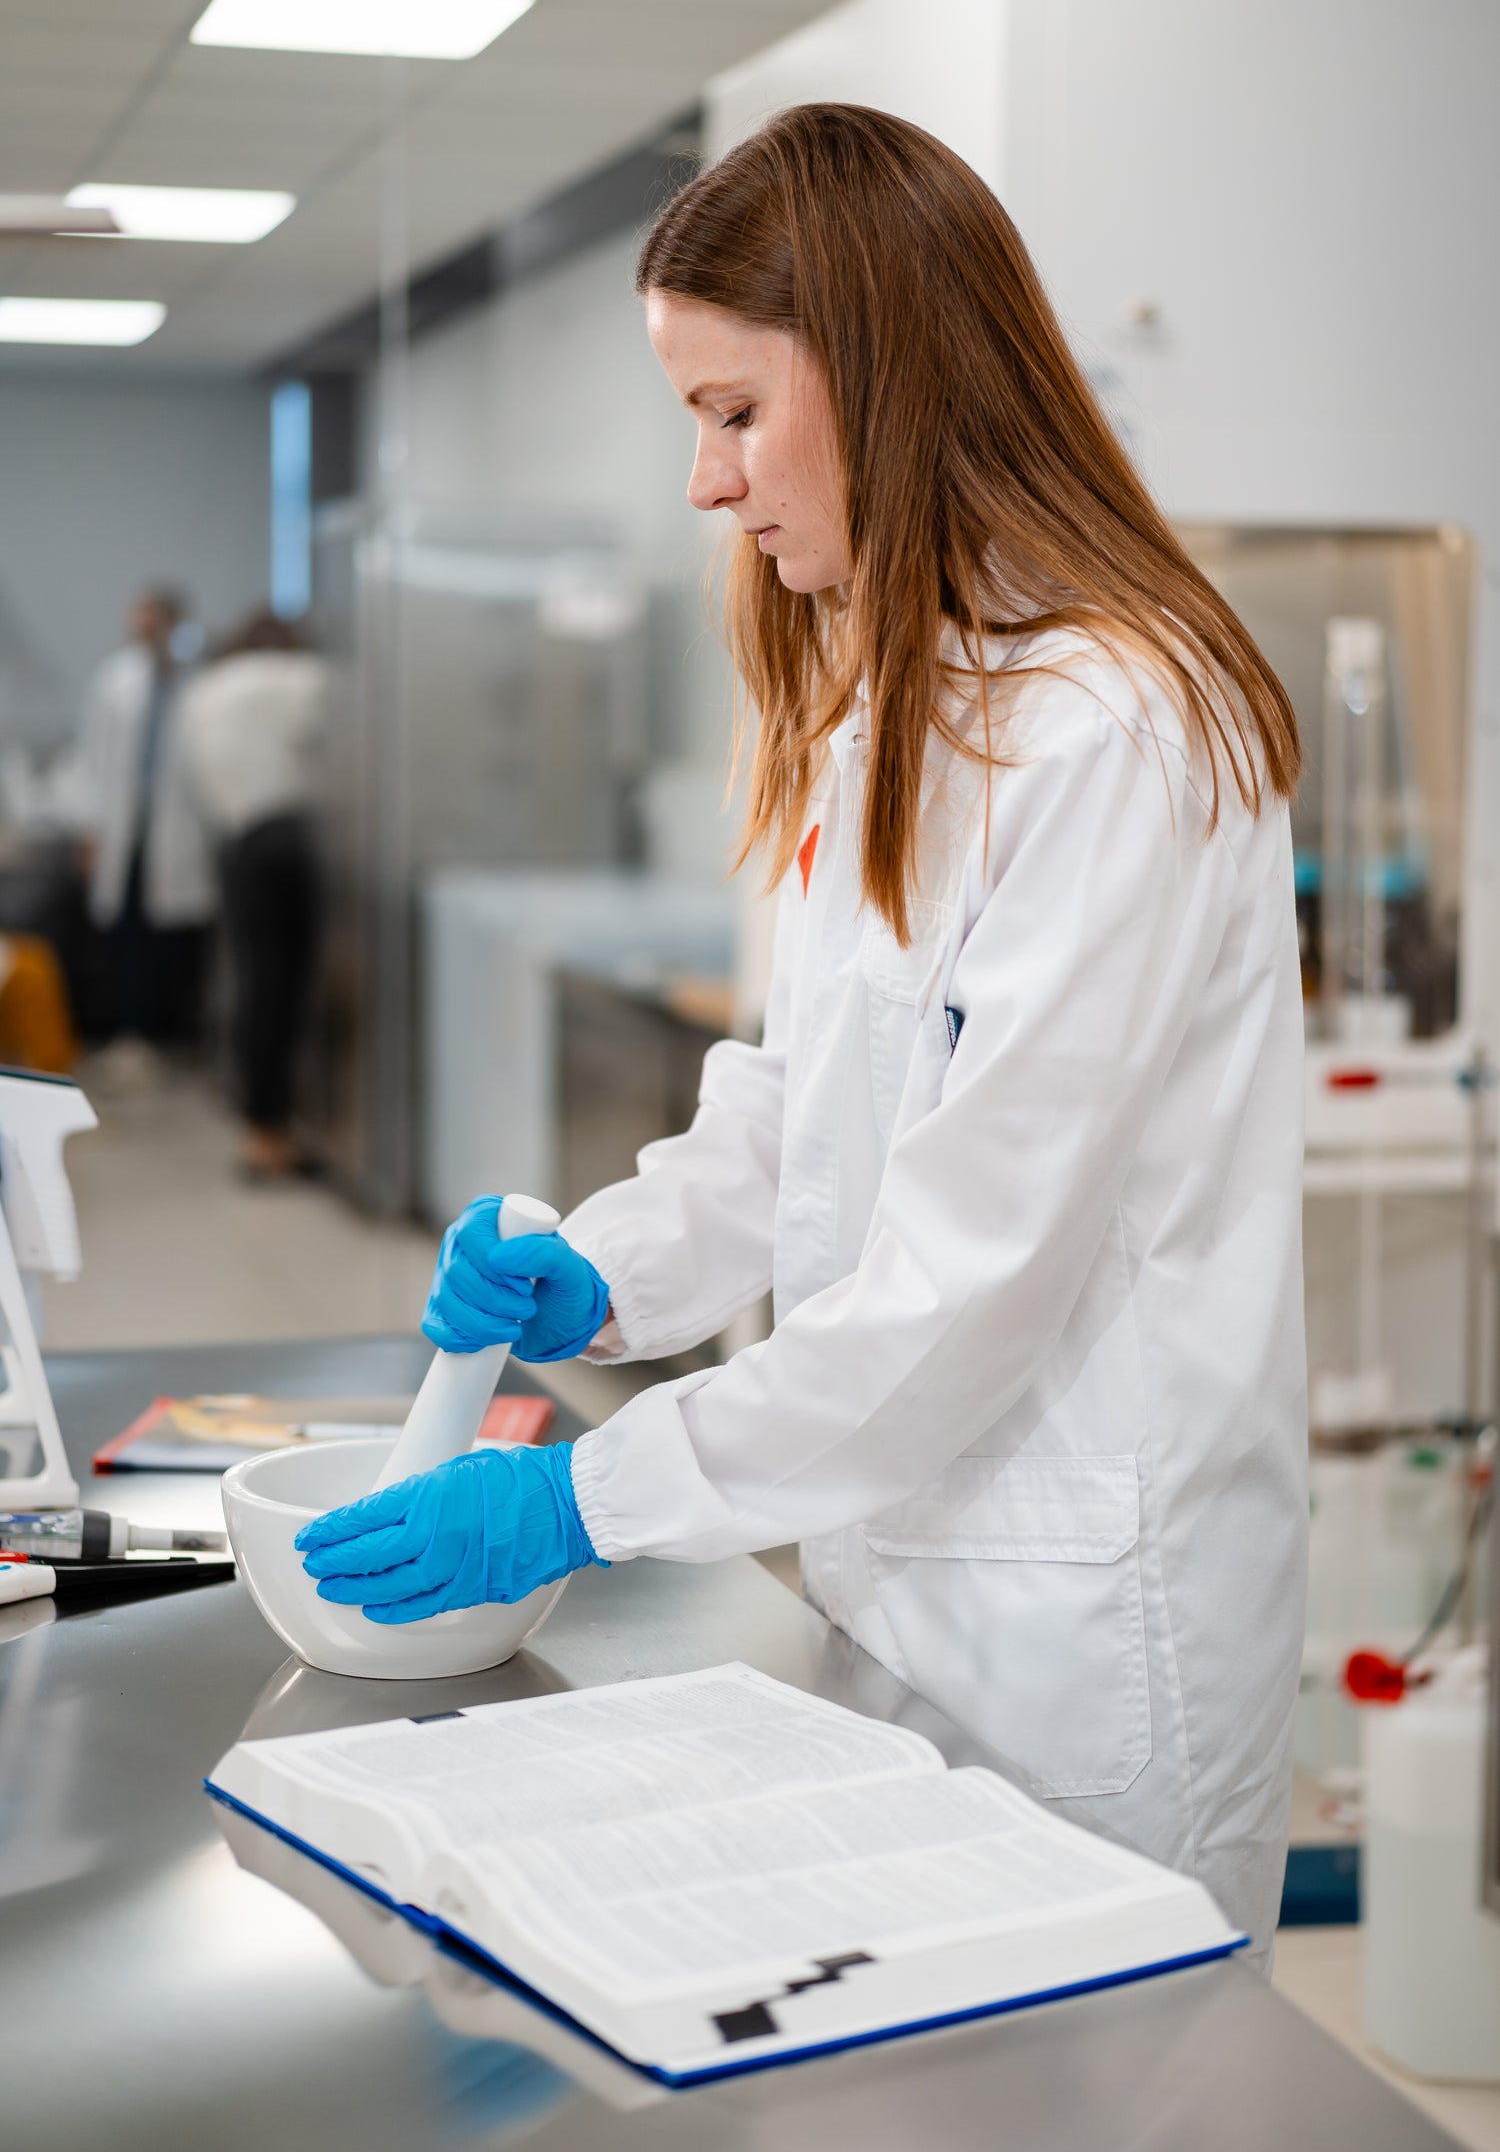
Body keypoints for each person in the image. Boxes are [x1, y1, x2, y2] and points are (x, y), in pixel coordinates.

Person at [296, 106, 1308, 1966]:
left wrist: (583, 1495)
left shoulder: (1113, 730)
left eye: (734, 412)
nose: (707, 482)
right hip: (896, 1583)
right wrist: (603, 1278)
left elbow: (967, 1277)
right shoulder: (894, 706)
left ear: (888, 371)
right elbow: (798, 1115)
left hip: (1083, 1642)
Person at [177, 607, 326, 1179]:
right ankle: (267, 1135)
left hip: (237, 845)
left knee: (254, 984)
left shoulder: (206, 691)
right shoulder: (295, 676)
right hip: (283, 839)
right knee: (280, 991)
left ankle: (261, 1129)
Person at [78, 586, 214, 1067]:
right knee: (129, 934)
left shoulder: (195, 682)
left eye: (152, 618)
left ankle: (174, 1038)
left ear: (173, 623)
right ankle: (135, 1036)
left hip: (177, 831)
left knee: (175, 939)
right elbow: (95, 758)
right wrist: (89, 828)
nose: (142, 626)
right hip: (125, 829)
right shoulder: (115, 680)